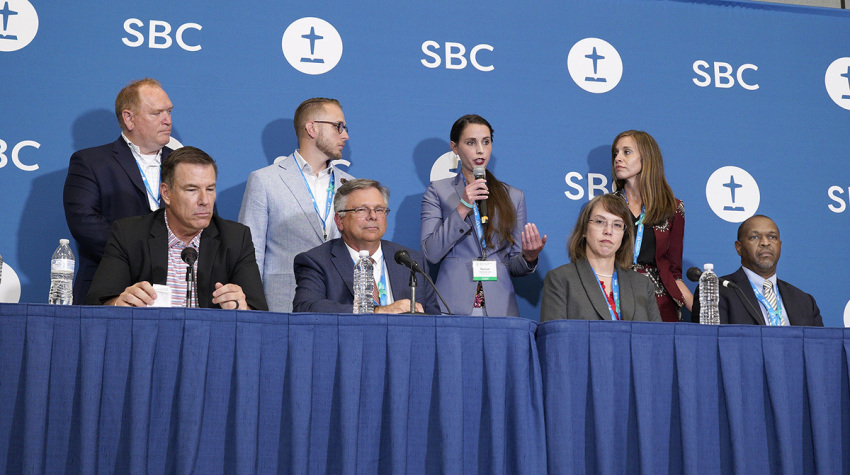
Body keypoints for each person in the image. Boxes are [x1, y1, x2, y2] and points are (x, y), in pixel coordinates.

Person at [86, 146, 267, 310]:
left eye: (210, 189)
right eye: (192, 190)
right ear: (166, 193)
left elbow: (259, 314)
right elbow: (96, 303)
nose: (204, 200)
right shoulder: (129, 234)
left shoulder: (236, 238)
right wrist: (120, 303)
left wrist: (242, 308)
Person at [420, 114, 546, 316]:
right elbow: (431, 253)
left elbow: (514, 265)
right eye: (471, 142)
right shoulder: (438, 191)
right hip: (452, 305)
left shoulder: (513, 196)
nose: (480, 150)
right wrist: (462, 207)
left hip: (500, 308)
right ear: (455, 147)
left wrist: (529, 258)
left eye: (486, 142)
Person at [64, 78, 175, 305]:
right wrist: (146, 256)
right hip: (109, 291)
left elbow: (204, 220)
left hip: (175, 293)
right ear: (129, 118)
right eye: (157, 113)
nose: (167, 120)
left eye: (169, 111)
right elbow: (85, 223)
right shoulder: (91, 162)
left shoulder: (183, 166)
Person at [239, 97, 355, 313]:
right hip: (282, 306)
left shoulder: (350, 185)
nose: (345, 135)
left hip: (340, 308)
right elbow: (250, 255)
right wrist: (254, 308)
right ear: (312, 128)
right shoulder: (265, 180)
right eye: (338, 126)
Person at [293, 179, 439, 314]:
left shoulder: (412, 261)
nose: (373, 216)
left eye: (379, 209)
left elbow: (434, 319)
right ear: (339, 220)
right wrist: (377, 311)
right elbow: (305, 308)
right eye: (362, 210)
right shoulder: (317, 261)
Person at [540, 194, 661, 322]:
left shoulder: (642, 285)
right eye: (600, 222)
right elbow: (555, 338)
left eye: (617, 225)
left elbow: (658, 338)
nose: (608, 231)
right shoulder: (561, 280)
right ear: (584, 230)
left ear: (624, 235)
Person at [611, 130, 691, 322]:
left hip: (660, 303)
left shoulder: (673, 208)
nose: (618, 158)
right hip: (616, 295)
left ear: (647, 157)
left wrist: (701, 312)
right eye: (615, 153)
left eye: (626, 152)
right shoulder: (606, 206)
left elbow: (674, 272)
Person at [692, 215, 822, 326]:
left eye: (772, 237)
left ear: (780, 245)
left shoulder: (804, 301)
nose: (765, 243)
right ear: (739, 247)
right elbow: (712, 346)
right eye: (755, 237)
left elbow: (819, 349)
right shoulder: (720, 291)